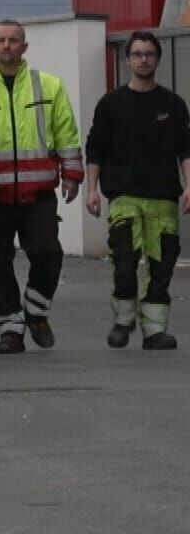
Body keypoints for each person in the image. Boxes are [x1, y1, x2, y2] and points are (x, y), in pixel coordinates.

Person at [0, 20, 84, 353]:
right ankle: (11, 330)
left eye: (14, 40)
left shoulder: (48, 85)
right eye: (1, 40)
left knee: (48, 252)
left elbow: (66, 130)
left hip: (38, 194)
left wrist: (72, 174)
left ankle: (36, 311)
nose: (7, 46)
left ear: (25, 47)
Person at [84, 31, 190, 350]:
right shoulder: (111, 104)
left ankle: (155, 330)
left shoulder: (172, 104)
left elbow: (185, 149)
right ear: (127, 59)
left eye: (150, 54)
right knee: (126, 262)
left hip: (163, 200)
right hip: (124, 198)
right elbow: (95, 149)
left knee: (161, 266)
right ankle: (123, 319)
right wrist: (91, 190)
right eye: (138, 54)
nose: (144, 60)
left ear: (158, 59)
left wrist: (189, 186)